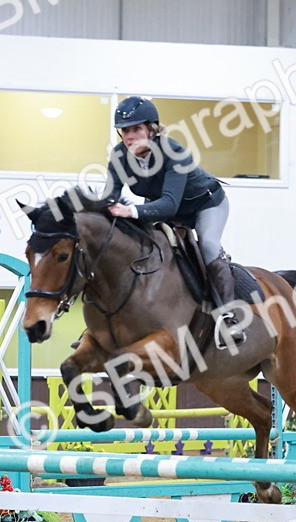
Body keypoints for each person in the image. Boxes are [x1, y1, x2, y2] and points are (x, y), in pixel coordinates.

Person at [101, 96, 244, 348]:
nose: (130, 136)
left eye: (137, 129)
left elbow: (169, 204)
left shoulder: (173, 152)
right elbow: (109, 200)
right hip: (162, 207)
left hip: (205, 204)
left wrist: (131, 211)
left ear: (152, 129)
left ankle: (227, 317)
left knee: (209, 244)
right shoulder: (119, 156)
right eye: (125, 131)